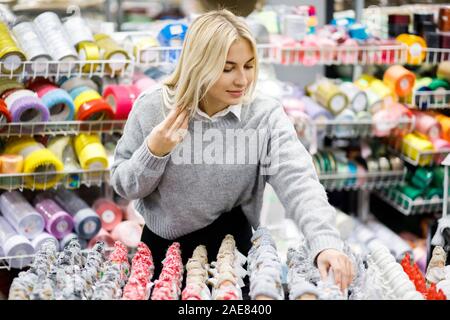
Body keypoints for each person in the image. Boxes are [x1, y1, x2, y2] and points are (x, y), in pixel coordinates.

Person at [111, 9, 355, 292]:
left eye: (249, 66)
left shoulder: (263, 115)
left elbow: (298, 180)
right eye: (228, 68)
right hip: (164, 250)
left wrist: (324, 243)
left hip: (232, 252)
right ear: (199, 65)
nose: (242, 80)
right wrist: (154, 151)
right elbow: (123, 184)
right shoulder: (154, 108)